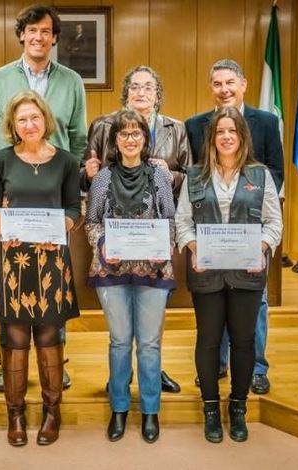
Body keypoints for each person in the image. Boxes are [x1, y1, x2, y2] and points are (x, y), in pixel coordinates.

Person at [0, 4, 87, 392]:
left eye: (46, 31)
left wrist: (71, 196)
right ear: (21, 35)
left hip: (54, 200)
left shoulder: (72, 80)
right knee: (10, 281)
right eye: (31, 31)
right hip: (11, 197)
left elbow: (78, 138)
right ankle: (7, 363)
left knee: (53, 282)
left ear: (55, 38)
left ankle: (56, 359)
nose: (38, 37)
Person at [176, 106, 282, 443]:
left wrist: (261, 249)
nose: (226, 137)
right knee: (207, 340)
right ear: (212, 137)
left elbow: (274, 223)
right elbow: (182, 222)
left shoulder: (260, 175)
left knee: (244, 340)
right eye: (220, 131)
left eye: (232, 131)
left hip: (247, 272)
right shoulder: (194, 175)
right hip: (206, 272)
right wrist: (194, 249)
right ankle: (210, 408)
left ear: (242, 137)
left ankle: (238, 407)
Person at [84, 65, 191, 394]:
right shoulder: (103, 125)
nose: (141, 92)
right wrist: (87, 172)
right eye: (134, 87)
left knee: (150, 320)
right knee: (120, 332)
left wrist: (168, 174)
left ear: (157, 94)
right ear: (125, 93)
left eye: (148, 87)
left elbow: (189, 175)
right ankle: (121, 378)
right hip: (114, 226)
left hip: (155, 231)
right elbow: (91, 173)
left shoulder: (176, 127)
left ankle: (152, 372)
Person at [0, 90, 81, 447]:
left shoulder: (66, 162)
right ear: (13, 125)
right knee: (14, 338)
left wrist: (59, 229)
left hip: (51, 260)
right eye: (22, 119)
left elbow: (74, 209)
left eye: (35, 118)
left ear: (46, 121)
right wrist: (2, 227)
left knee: (48, 336)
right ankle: (16, 414)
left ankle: (52, 412)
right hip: (10, 260)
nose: (29, 124)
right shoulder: (0, 160)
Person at [185, 59, 284, 395]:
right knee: (214, 308)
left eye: (230, 82)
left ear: (244, 83)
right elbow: (195, 177)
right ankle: (219, 364)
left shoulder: (267, 122)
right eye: (217, 83)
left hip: (250, 233)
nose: (224, 89)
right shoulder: (195, 125)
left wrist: (251, 225)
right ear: (211, 88)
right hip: (211, 233)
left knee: (253, 308)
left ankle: (256, 368)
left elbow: (275, 172)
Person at [86, 109, 176, 444]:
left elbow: (169, 218)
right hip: (112, 270)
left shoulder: (160, 175)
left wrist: (163, 248)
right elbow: (93, 221)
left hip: (153, 269)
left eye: (136, 133)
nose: (130, 139)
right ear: (114, 141)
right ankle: (119, 408)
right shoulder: (103, 178)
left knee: (149, 344)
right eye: (123, 134)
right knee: (120, 342)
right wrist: (104, 245)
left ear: (145, 138)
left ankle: (151, 411)